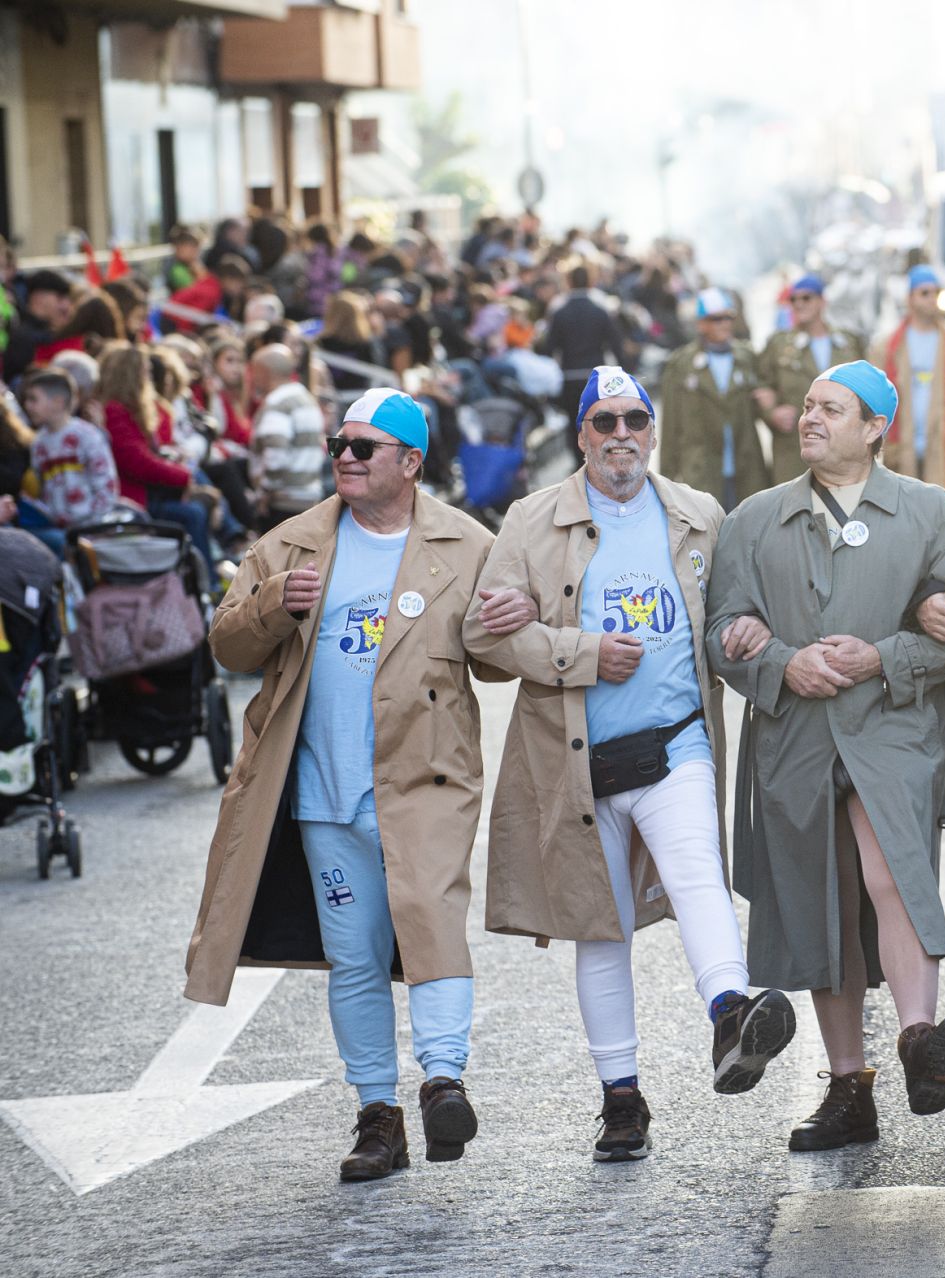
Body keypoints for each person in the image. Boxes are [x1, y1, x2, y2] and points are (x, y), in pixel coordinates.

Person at [464, 365, 795, 1163]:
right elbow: (484, 642)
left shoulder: (698, 514)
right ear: (581, 435)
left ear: (653, 430)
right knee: (599, 928)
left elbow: (730, 610)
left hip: (675, 739)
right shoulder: (531, 520)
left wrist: (746, 632)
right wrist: (580, 653)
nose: (621, 437)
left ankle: (729, 1012)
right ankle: (621, 1099)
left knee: (695, 872)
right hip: (572, 763)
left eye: (634, 421)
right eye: (604, 422)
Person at [184, 388, 500, 1181]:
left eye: (365, 446)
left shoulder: (465, 544)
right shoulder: (291, 544)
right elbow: (226, 645)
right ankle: (376, 1116)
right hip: (324, 791)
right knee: (353, 957)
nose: (347, 458)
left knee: (430, 916)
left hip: (424, 779)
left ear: (411, 461)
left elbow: (496, 661)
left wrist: (514, 620)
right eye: (340, 445)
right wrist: (267, 606)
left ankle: (442, 1080)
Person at [705, 360, 945, 1152]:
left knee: (889, 868)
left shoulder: (931, 511)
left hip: (892, 721)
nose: (810, 418)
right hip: (795, 731)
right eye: (806, 406)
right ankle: (847, 1089)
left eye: (832, 409)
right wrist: (775, 662)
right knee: (821, 906)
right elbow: (725, 625)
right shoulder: (754, 520)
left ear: (874, 429)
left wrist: (884, 655)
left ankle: (921, 1042)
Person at [95, 342, 216, 573]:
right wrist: (182, 476)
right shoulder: (114, 411)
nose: (149, 376)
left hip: (150, 490)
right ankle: (205, 581)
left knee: (204, 501)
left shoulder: (133, 408)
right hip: (134, 497)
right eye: (145, 371)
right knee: (193, 513)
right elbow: (137, 463)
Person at [868, 265, 945, 499]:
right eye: (924, 293)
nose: (932, 299)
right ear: (910, 298)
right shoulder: (887, 346)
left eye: (935, 293)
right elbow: (872, 396)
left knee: (944, 511)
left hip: (943, 446)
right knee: (900, 509)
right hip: (901, 448)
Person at [658, 288, 771, 510]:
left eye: (728, 317)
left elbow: (762, 404)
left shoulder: (746, 358)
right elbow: (670, 425)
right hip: (702, 470)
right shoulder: (681, 365)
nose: (724, 324)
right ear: (701, 324)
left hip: (745, 467)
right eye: (716, 319)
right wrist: (666, 481)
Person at [755, 273, 864, 486]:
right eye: (793, 299)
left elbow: (866, 390)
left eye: (806, 298)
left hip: (844, 449)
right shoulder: (779, 345)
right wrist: (771, 413)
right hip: (796, 452)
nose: (799, 304)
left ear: (822, 301)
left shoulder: (847, 343)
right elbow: (760, 386)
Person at [539, 264, 627, 464]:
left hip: (569, 376)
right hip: (596, 378)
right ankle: (599, 461)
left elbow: (549, 348)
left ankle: (579, 464)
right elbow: (616, 343)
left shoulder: (559, 313)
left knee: (574, 423)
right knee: (599, 422)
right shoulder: (600, 310)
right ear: (590, 280)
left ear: (568, 282)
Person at [23, 366, 118, 534]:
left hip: (92, 527)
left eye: (33, 399)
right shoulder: (38, 443)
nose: (27, 405)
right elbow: (41, 487)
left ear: (58, 402)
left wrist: (96, 521)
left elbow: (106, 483)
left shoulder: (86, 435)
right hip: (58, 528)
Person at [248, 344, 327, 528]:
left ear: (263, 371)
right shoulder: (305, 397)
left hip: (283, 500)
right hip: (308, 494)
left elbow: (276, 452)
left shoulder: (278, 403)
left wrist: (265, 491)